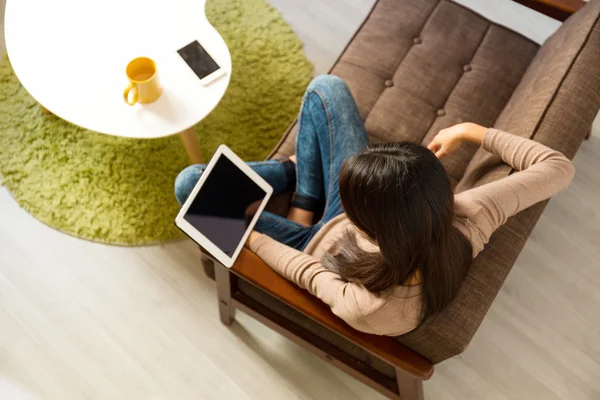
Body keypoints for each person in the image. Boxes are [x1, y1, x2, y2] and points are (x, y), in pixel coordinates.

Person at [174, 75, 575, 336]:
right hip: (354, 211)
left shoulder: (376, 308)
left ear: (369, 225)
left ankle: (298, 178)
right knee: (325, 88)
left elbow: (310, 274)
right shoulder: (466, 213)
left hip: (311, 248)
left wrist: (254, 239)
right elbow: (558, 168)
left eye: (355, 207)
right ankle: (304, 192)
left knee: (192, 184)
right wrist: (470, 132)